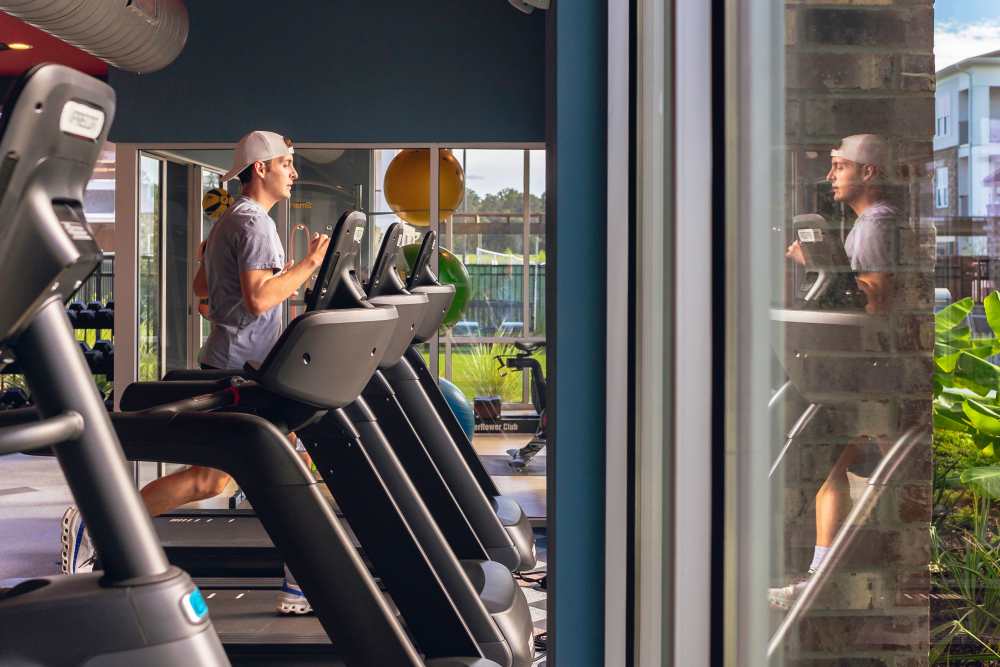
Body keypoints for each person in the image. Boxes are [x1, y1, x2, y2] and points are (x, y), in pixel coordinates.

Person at [61, 130, 330, 616]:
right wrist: (309, 264)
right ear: (262, 168)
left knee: (210, 482)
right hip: (249, 372)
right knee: (294, 473)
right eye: (287, 163)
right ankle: (301, 584)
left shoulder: (234, 219)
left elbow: (203, 287)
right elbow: (259, 298)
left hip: (237, 361)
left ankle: (97, 521)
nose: (294, 172)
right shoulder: (255, 224)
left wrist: (229, 302)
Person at [770, 134, 930, 609]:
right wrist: (826, 264)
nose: (830, 175)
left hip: (878, 376)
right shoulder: (866, 225)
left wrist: (825, 267)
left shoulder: (878, 225)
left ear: (868, 173)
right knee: (845, 477)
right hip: (875, 375)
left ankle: (825, 582)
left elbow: (877, 301)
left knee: (855, 478)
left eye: (840, 166)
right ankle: (825, 578)